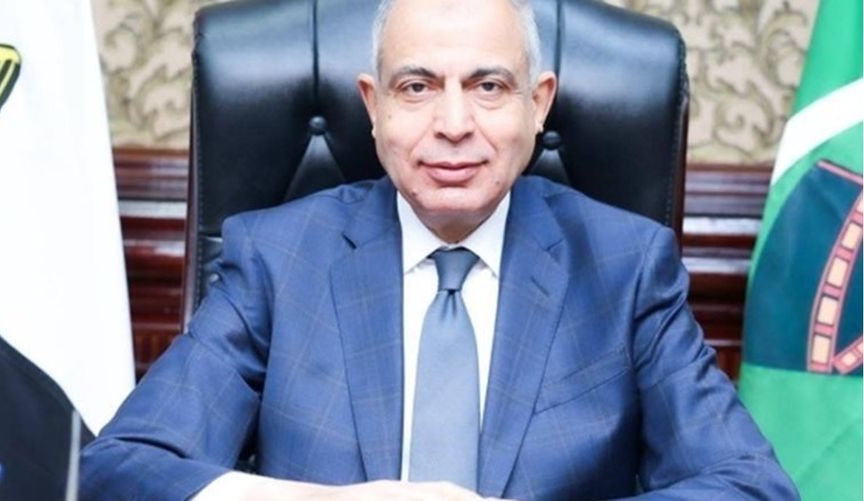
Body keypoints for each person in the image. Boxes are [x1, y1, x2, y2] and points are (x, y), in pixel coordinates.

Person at [80, 0, 799, 499]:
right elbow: (120, 469)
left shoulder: (625, 267)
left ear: (538, 103)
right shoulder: (279, 257)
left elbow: (750, 487)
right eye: (418, 86)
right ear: (374, 106)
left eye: (488, 86)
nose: (453, 123)